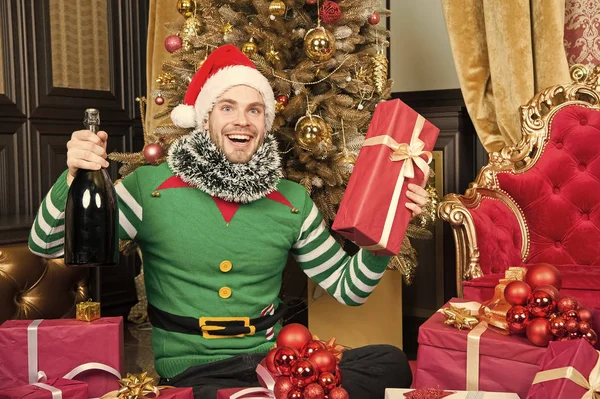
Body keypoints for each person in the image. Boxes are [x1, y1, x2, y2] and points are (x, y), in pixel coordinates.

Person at [29, 45, 430, 399]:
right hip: (192, 370)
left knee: (390, 363)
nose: (242, 121)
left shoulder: (291, 199)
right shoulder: (149, 187)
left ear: (266, 124)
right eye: (228, 108)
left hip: (274, 360)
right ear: (205, 119)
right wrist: (72, 177)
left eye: (254, 110)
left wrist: (389, 226)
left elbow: (349, 289)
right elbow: (45, 246)